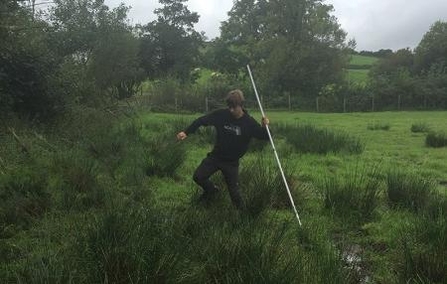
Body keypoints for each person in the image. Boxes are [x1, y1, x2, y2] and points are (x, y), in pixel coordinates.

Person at [176, 89, 270, 210]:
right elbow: (201, 120)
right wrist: (186, 132)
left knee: (235, 195)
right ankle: (212, 191)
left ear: (241, 105)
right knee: (198, 177)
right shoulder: (221, 115)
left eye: (234, 107)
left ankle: (245, 218)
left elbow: (266, 136)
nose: (231, 110)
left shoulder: (249, 122)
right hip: (216, 157)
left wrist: (265, 127)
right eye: (229, 107)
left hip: (231, 163)